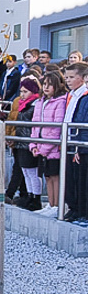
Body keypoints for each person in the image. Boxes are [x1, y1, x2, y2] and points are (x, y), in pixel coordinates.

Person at [30, 71, 67, 216]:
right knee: (47, 176)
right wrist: (33, 144)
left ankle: (57, 205)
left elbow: (56, 127)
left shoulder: (60, 101)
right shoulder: (40, 101)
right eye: (44, 84)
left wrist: (44, 148)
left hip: (52, 147)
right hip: (40, 145)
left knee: (55, 176)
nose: (46, 87)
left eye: (50, 85)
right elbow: (34, 124)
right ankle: (50, 204)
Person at [63, 62, 88, 221]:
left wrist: (80, 147)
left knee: (82, 180)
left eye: (72, 77)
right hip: (70, 140)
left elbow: (83, 121)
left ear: (84, 78)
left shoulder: (84, 96)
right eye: (66, 77)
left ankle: (83, 211)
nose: (68, 80)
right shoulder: (72, 95)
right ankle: (74, 208)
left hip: (80, 143)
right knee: (71, 178)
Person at [14, 77, 42, 211]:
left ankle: (36, 198)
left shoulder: (35, 104)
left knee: (33, 172)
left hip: (30, 142)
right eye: (21, 91)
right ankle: (29, 195)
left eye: (25, 91)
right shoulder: (24, 104)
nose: (22, 94)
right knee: (25, 171)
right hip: (21, 141)